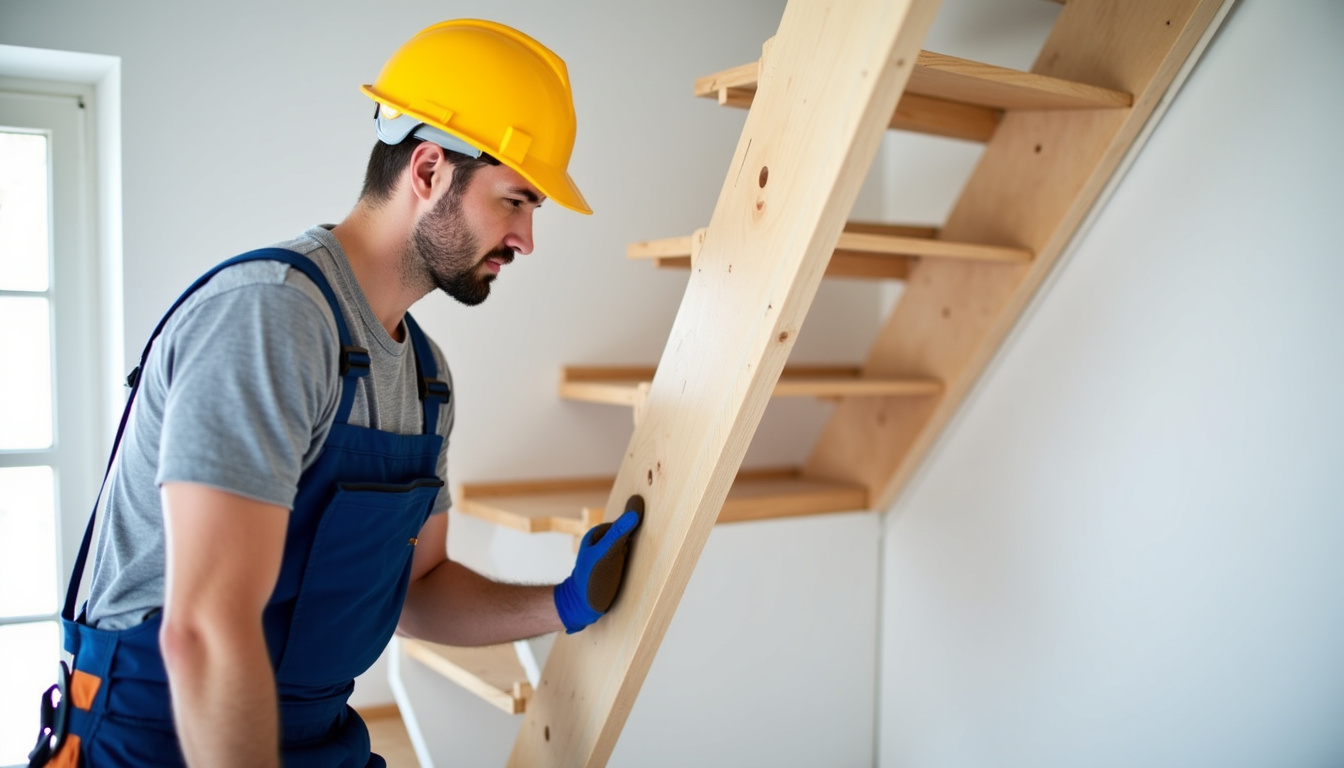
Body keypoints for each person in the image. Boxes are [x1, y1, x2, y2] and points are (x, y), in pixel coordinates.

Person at [27, 19, 641, 768]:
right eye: (515, 201)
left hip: (314, 734)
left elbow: (418, 589)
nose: (526, 240)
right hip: (162, 732)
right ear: (428, 170)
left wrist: (563, 602)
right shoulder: (271, 318)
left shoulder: (428, 380)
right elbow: (206, 633)